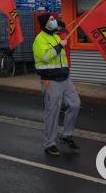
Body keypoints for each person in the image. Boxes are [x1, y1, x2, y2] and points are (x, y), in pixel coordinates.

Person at [33, 13, 81, 156]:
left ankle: (66, 135)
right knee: (52, 111)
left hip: (64, 78)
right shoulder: (39, 39)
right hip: (50, 80)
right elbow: (45, 57)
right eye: (51, 19)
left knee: (75, 104)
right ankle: (49, 143)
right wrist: (60, 46)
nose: (54, 21)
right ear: (45, 23)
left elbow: (62, 58)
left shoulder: (56, 36)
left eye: (54, 19)